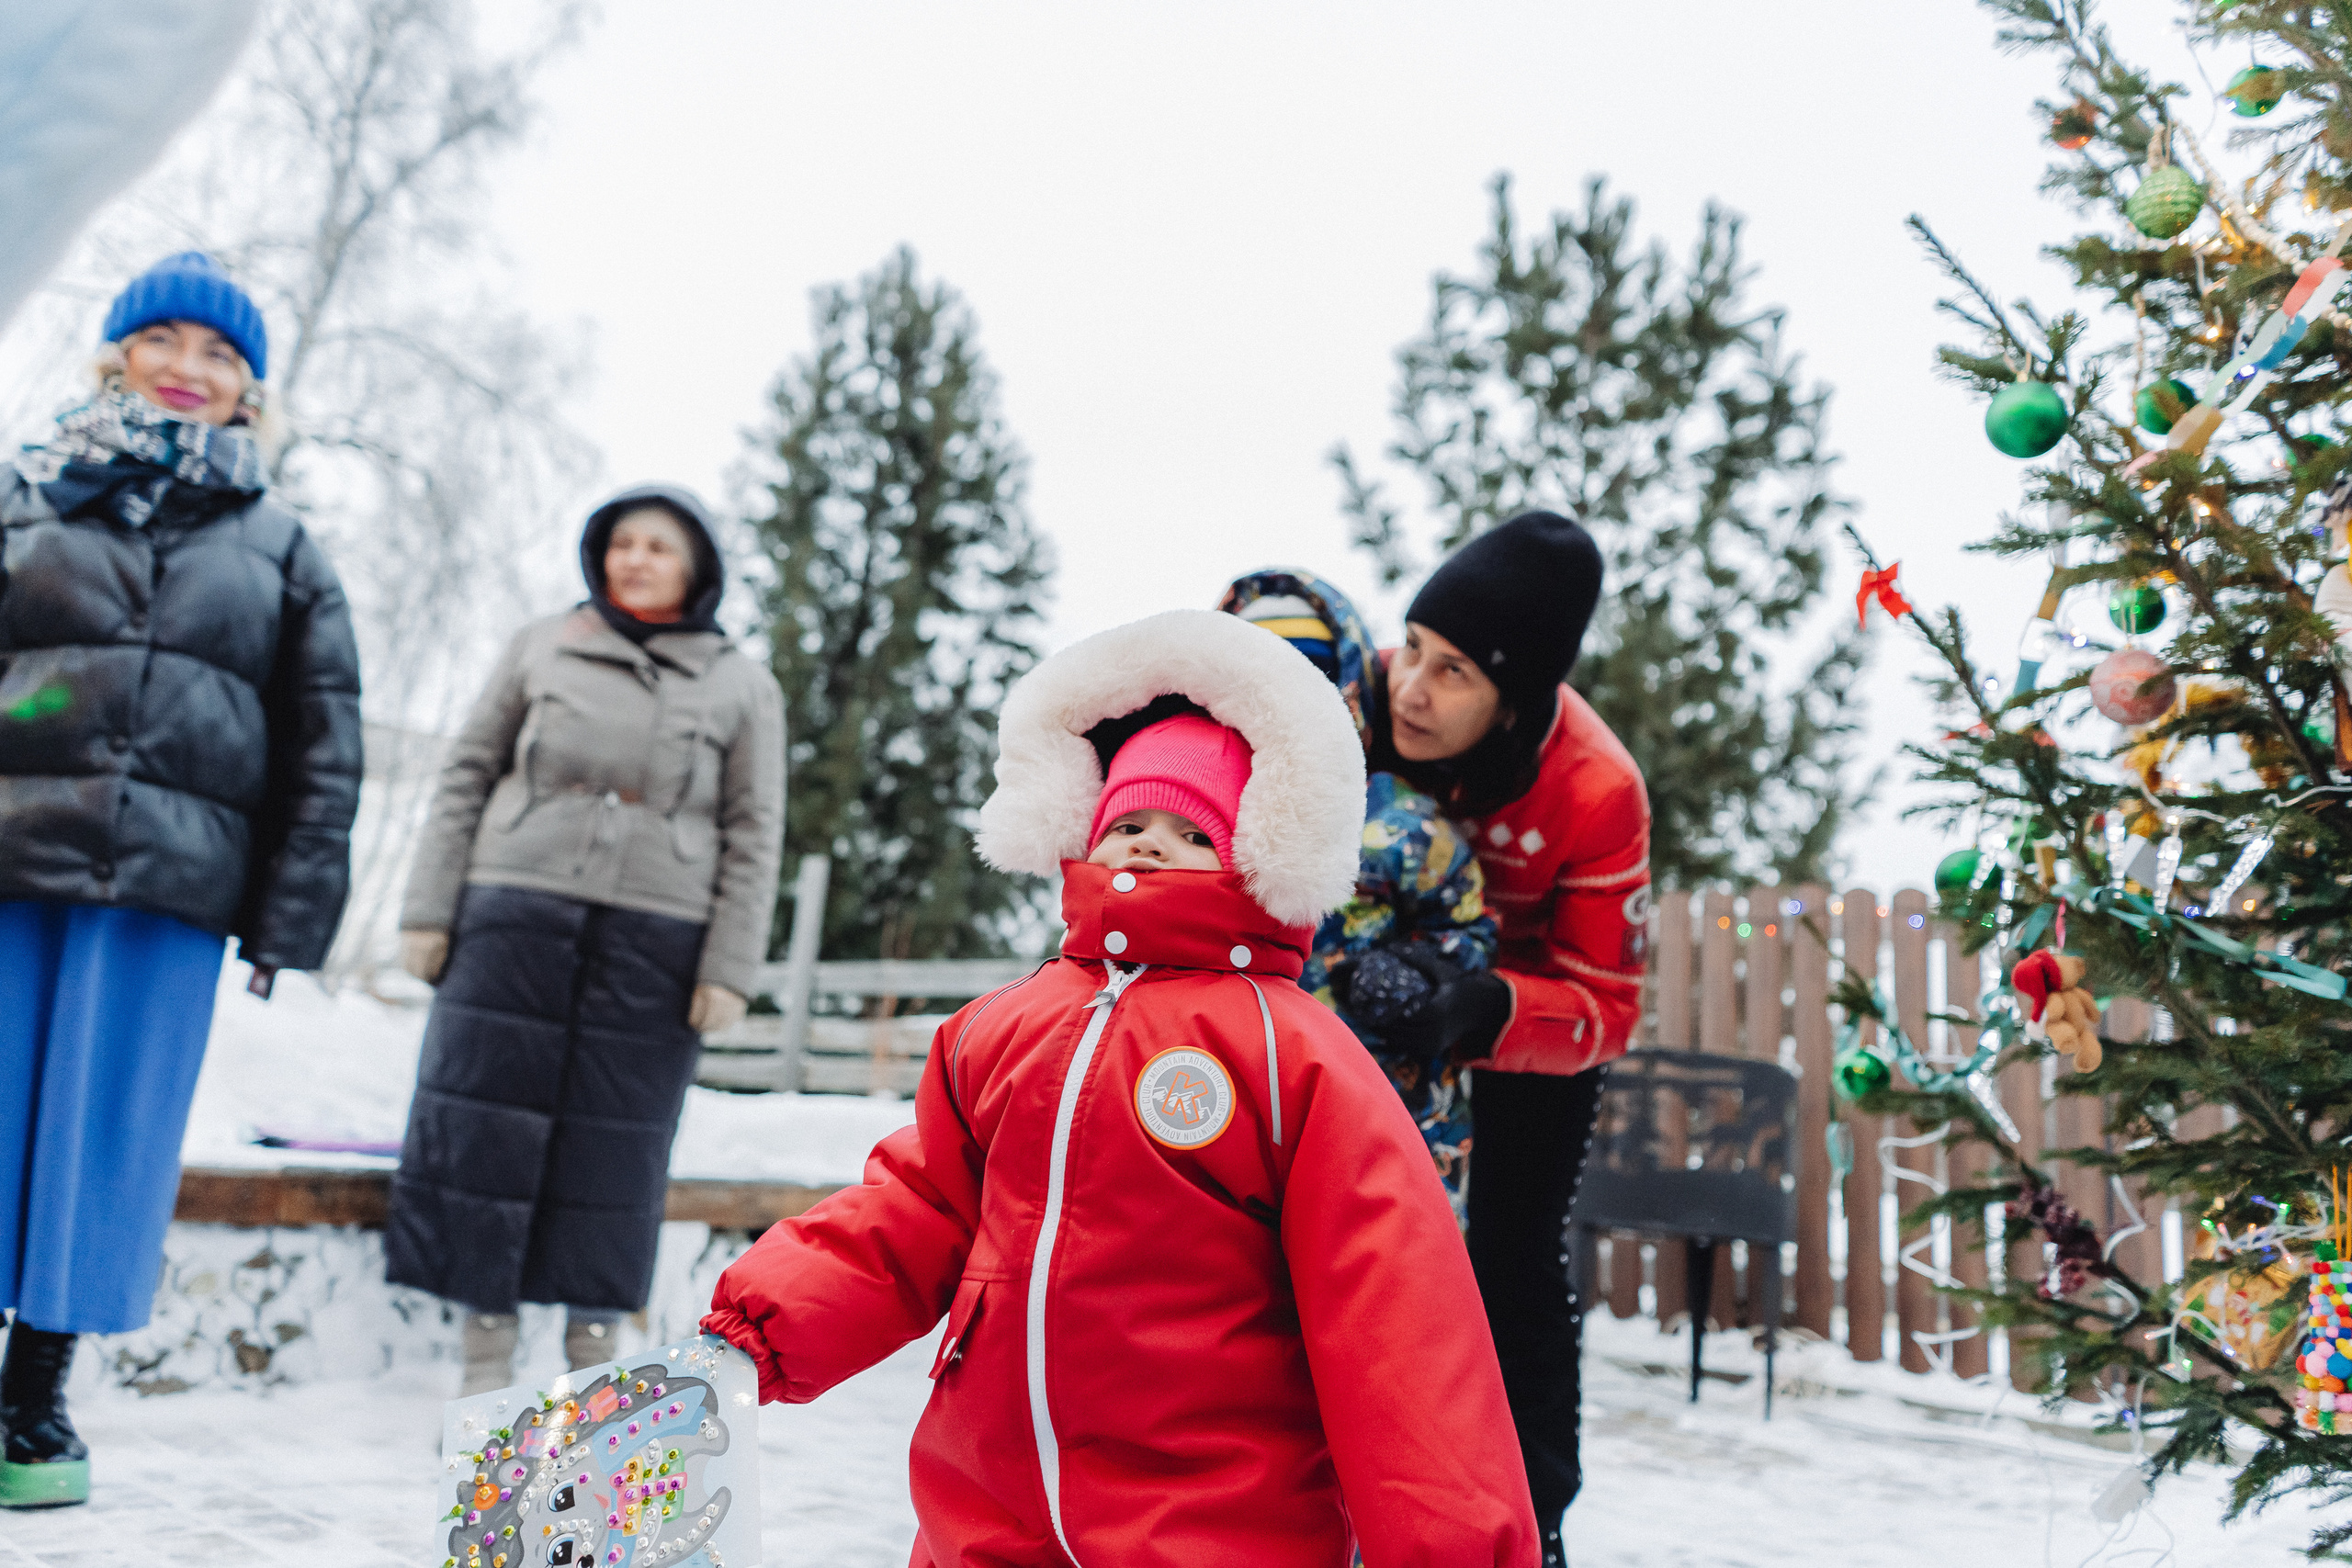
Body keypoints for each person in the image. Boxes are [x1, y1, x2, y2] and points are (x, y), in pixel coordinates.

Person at [702, 609, 1539, 1567]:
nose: (1147, 845)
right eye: (1128, 822)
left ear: (1255, 852)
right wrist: (760, 1328)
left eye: (1189, 830)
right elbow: (914, 1208)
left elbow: (1395, 1323)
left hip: (1213, 1529)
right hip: (986, 1517)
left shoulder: (1291, 1055)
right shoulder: (1001, 1028)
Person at [0, 253, 362, 1509]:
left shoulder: (283, 547)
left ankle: (32, 1398)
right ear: (116, 356)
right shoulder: (24, 499)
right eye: (164, 342)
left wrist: (291, 911)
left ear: (250, 388)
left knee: (104, 1144)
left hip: (167, 889)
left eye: (220, 355)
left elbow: (323, 738)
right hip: (12, 861)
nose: (189, 370)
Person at [387, 484, 784, 1394]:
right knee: (482, 1119)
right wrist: (426, 909)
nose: (635, 559)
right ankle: (483, 1349)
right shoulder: (542, 643)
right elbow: (465, 774)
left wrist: (729, 967)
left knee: (618, 1140)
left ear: (697, 570)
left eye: (659, 547)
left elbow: (755, 828)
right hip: (512, 909)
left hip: (660, 933)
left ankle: (592, 1349)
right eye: (622, 543)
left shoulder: (740, 681)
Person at [1368, 512, 1649, 1563]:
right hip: (1373, 1002)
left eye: (1451, 674)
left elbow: (1605, 1001)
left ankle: (1536, 1517)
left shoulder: (1597, 790)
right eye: (1412, 648)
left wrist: (1495, 1010)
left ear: (1514, 701)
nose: (1410, 689)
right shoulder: (1363, 704)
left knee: (1511, 1254)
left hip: (1521, 1016)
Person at [1219, 569, 1498, 1201]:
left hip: (1382, 1096)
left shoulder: (1401, 824)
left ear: (1342, 694)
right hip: (1238, 1094)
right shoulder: (1201, 810)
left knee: (1385, 1268)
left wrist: (1422, 971)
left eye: (1306, 684)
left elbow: (1467, 924)